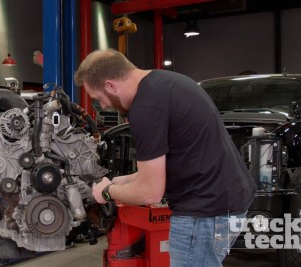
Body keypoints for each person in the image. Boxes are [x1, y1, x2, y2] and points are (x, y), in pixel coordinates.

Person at [74, 49, 256, 267]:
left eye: (99, 99)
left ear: (111, 85)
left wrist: (106, 192)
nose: (102, 106)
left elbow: (150, 193)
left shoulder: (145, 108)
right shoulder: (163, 83)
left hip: (204, 213)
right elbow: (174, 160)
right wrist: (122, 181)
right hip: (224, 203)